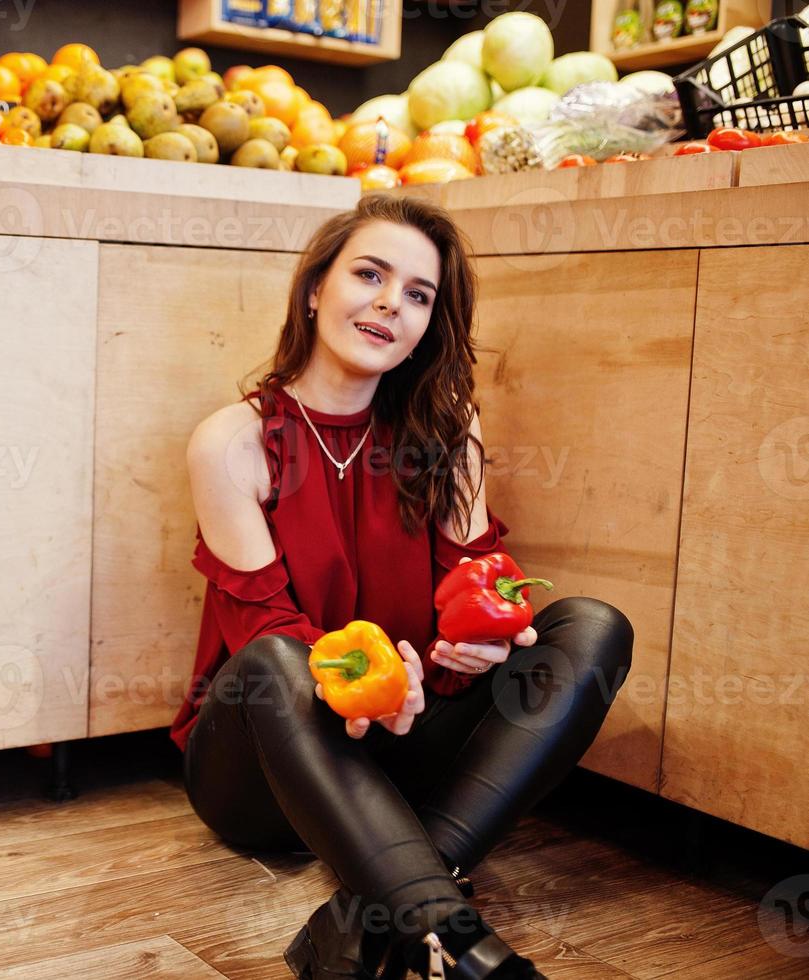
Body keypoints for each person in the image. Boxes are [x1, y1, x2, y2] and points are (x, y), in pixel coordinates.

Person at [170, 194, 634, 979]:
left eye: (418, 295)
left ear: (428, 326)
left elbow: (478, 582)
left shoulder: (447, 434)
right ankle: (458, 940)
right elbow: (265, 631)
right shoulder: (233, 443)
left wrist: (481, 648)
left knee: (591, 625)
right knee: (278, 662)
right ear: (315, 288)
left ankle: (384, 903)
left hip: (404, 748)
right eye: (369, 274)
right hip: (268, 768)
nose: (392, 302)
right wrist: (386, 685)